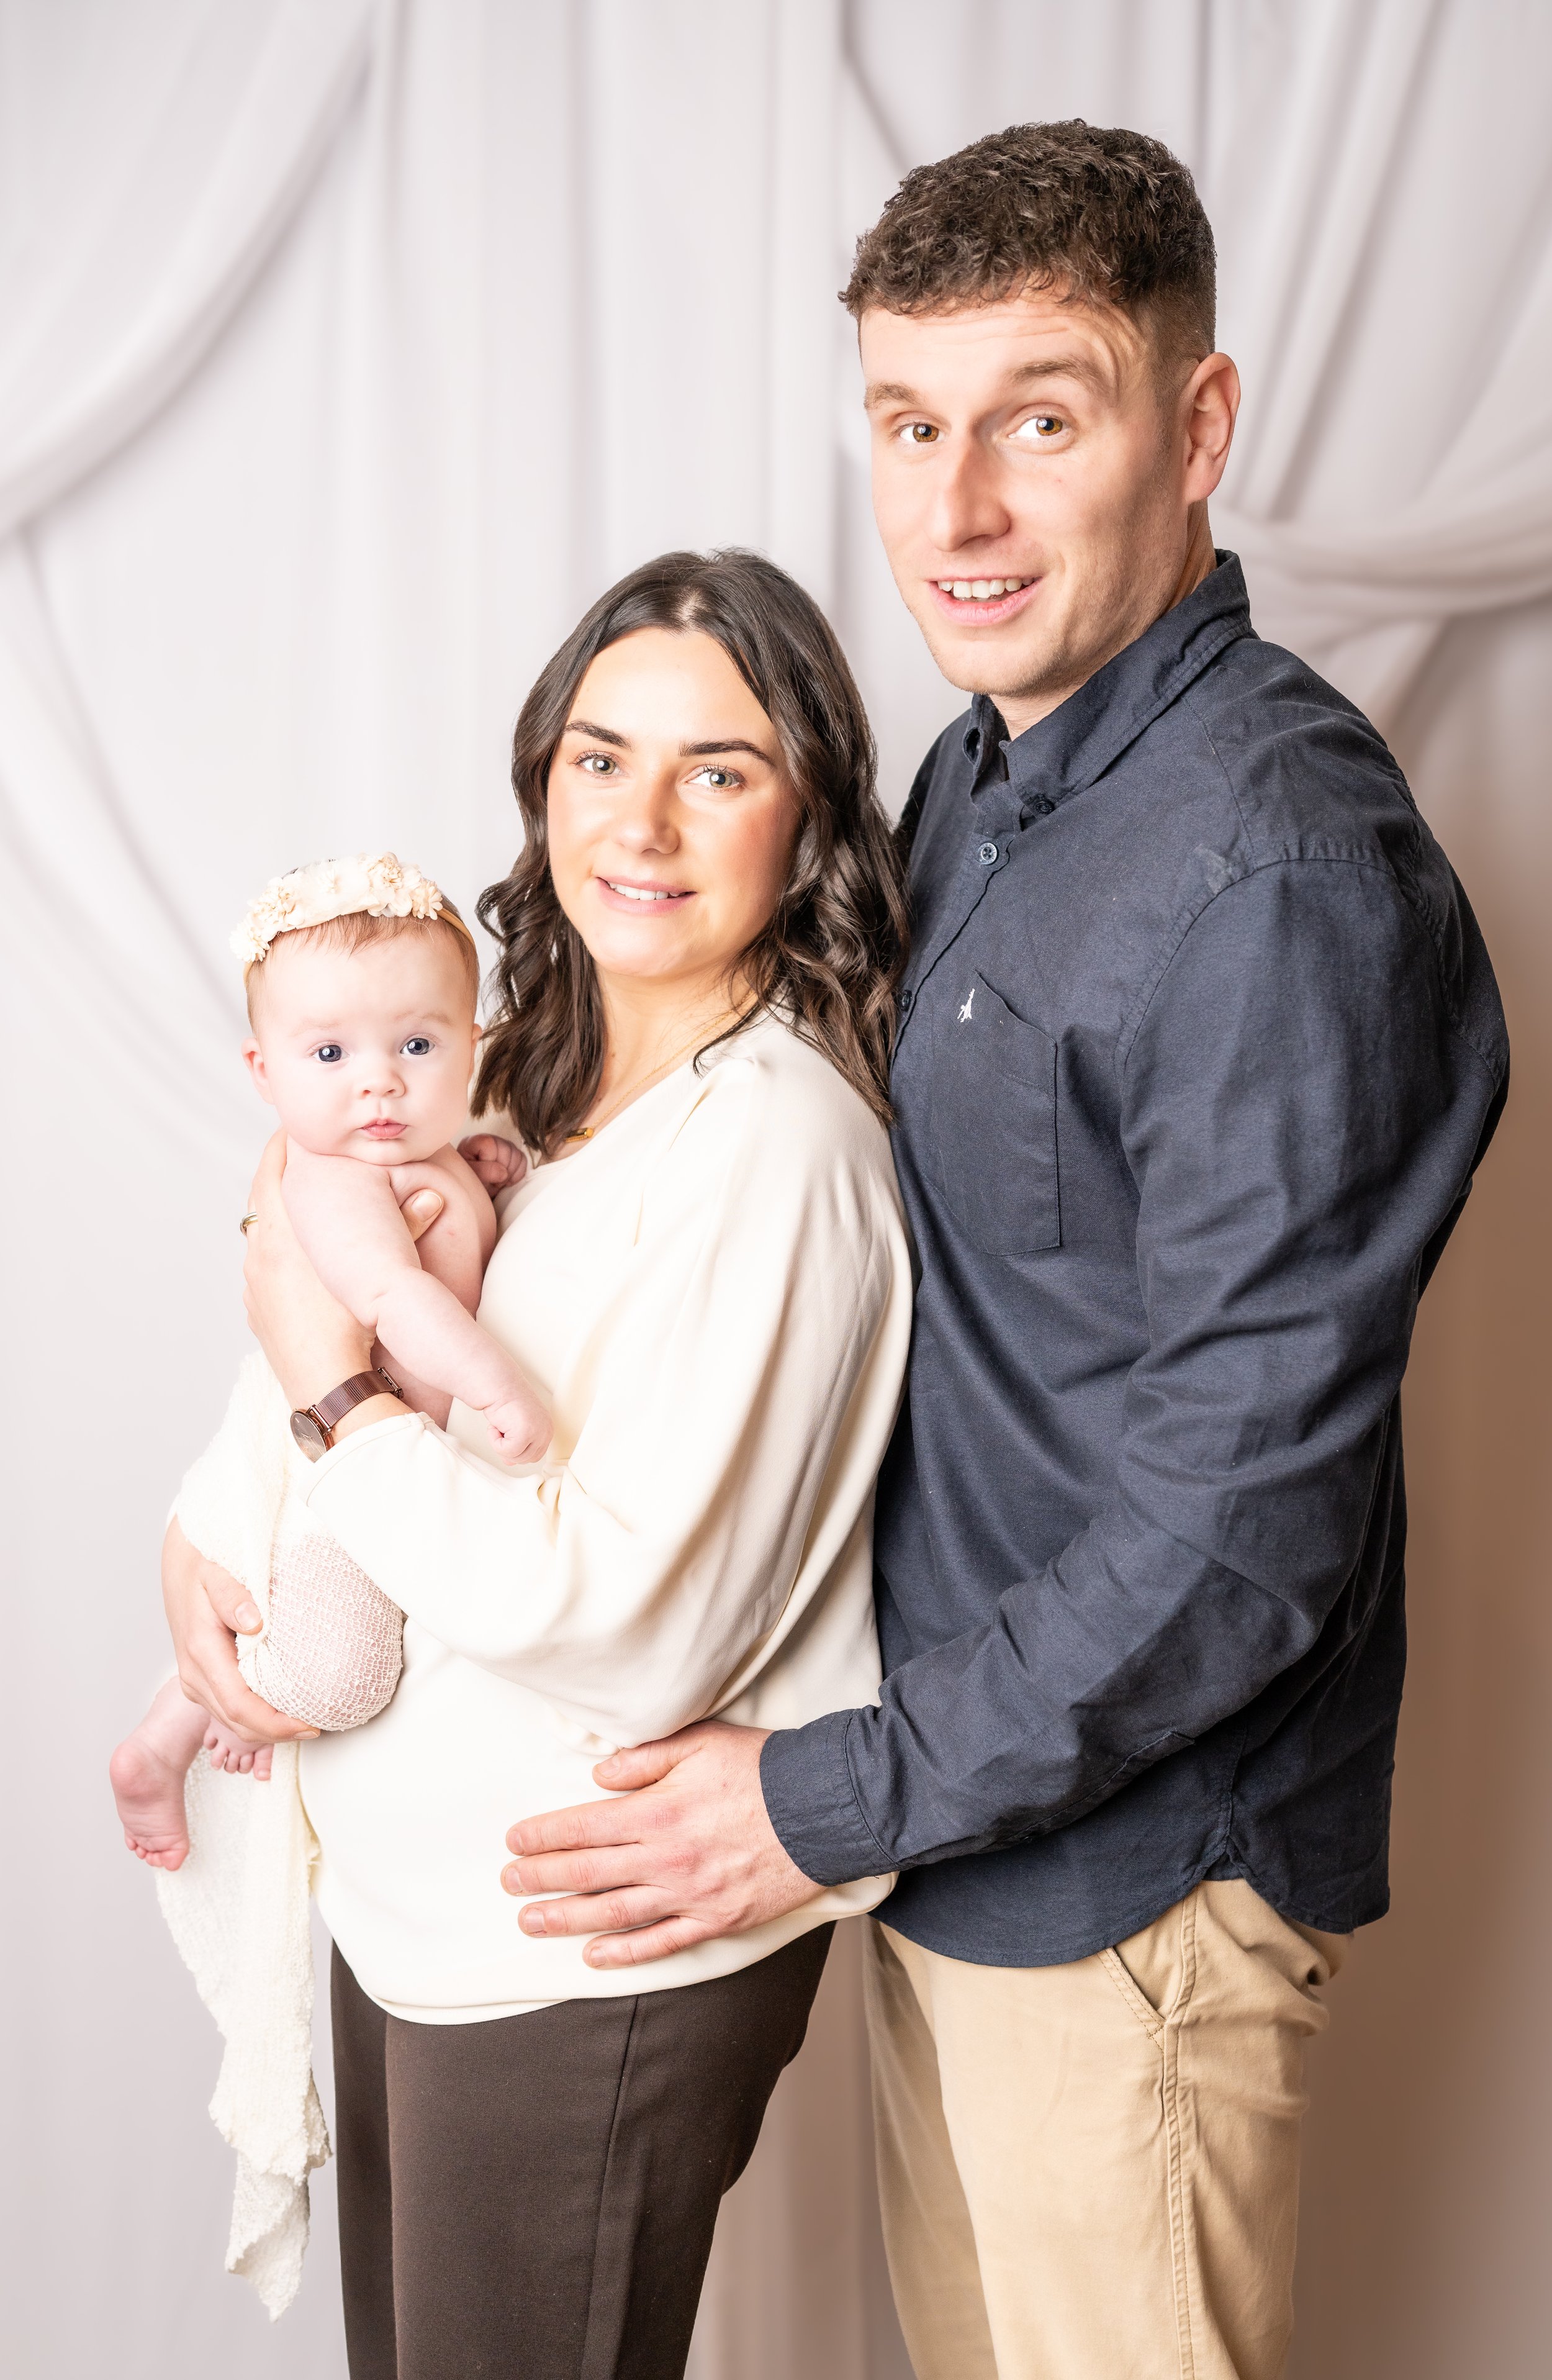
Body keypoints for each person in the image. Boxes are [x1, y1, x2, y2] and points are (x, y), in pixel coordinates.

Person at [490, 123, 1510, 2380]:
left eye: (1040, 420)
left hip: (1131, 1899)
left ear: (1198, 427)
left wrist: (817, 1790)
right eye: (907, 424)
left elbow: (1239, 1528)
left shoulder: (1275, 869)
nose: (953, 512)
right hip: (958, 1834)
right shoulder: (982, 781)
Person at [159, 549, 914, 2380]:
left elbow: (624, 1620)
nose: (638, 821)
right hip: (414, 1921)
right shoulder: (521, 1095)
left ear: (804, 813)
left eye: (716, 769)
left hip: (574, 1961)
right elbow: (307, 1341)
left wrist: (345, 1414)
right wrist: (201, 1538)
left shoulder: (775, 1150)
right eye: (599, 757)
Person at [109, 856, 546, 1873]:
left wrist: (475, 1166)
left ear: (471, 1046)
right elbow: (396, 1297)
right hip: (338, 1462)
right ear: (263, 1071)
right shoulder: (334, 1180)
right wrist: (495, 1384)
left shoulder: (414, 1154)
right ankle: (184, 1729)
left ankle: (164, 1736)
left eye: (418, 1043)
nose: (378, 1079)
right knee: (337, 1667)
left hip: (383, 1450)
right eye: (331, 1052)